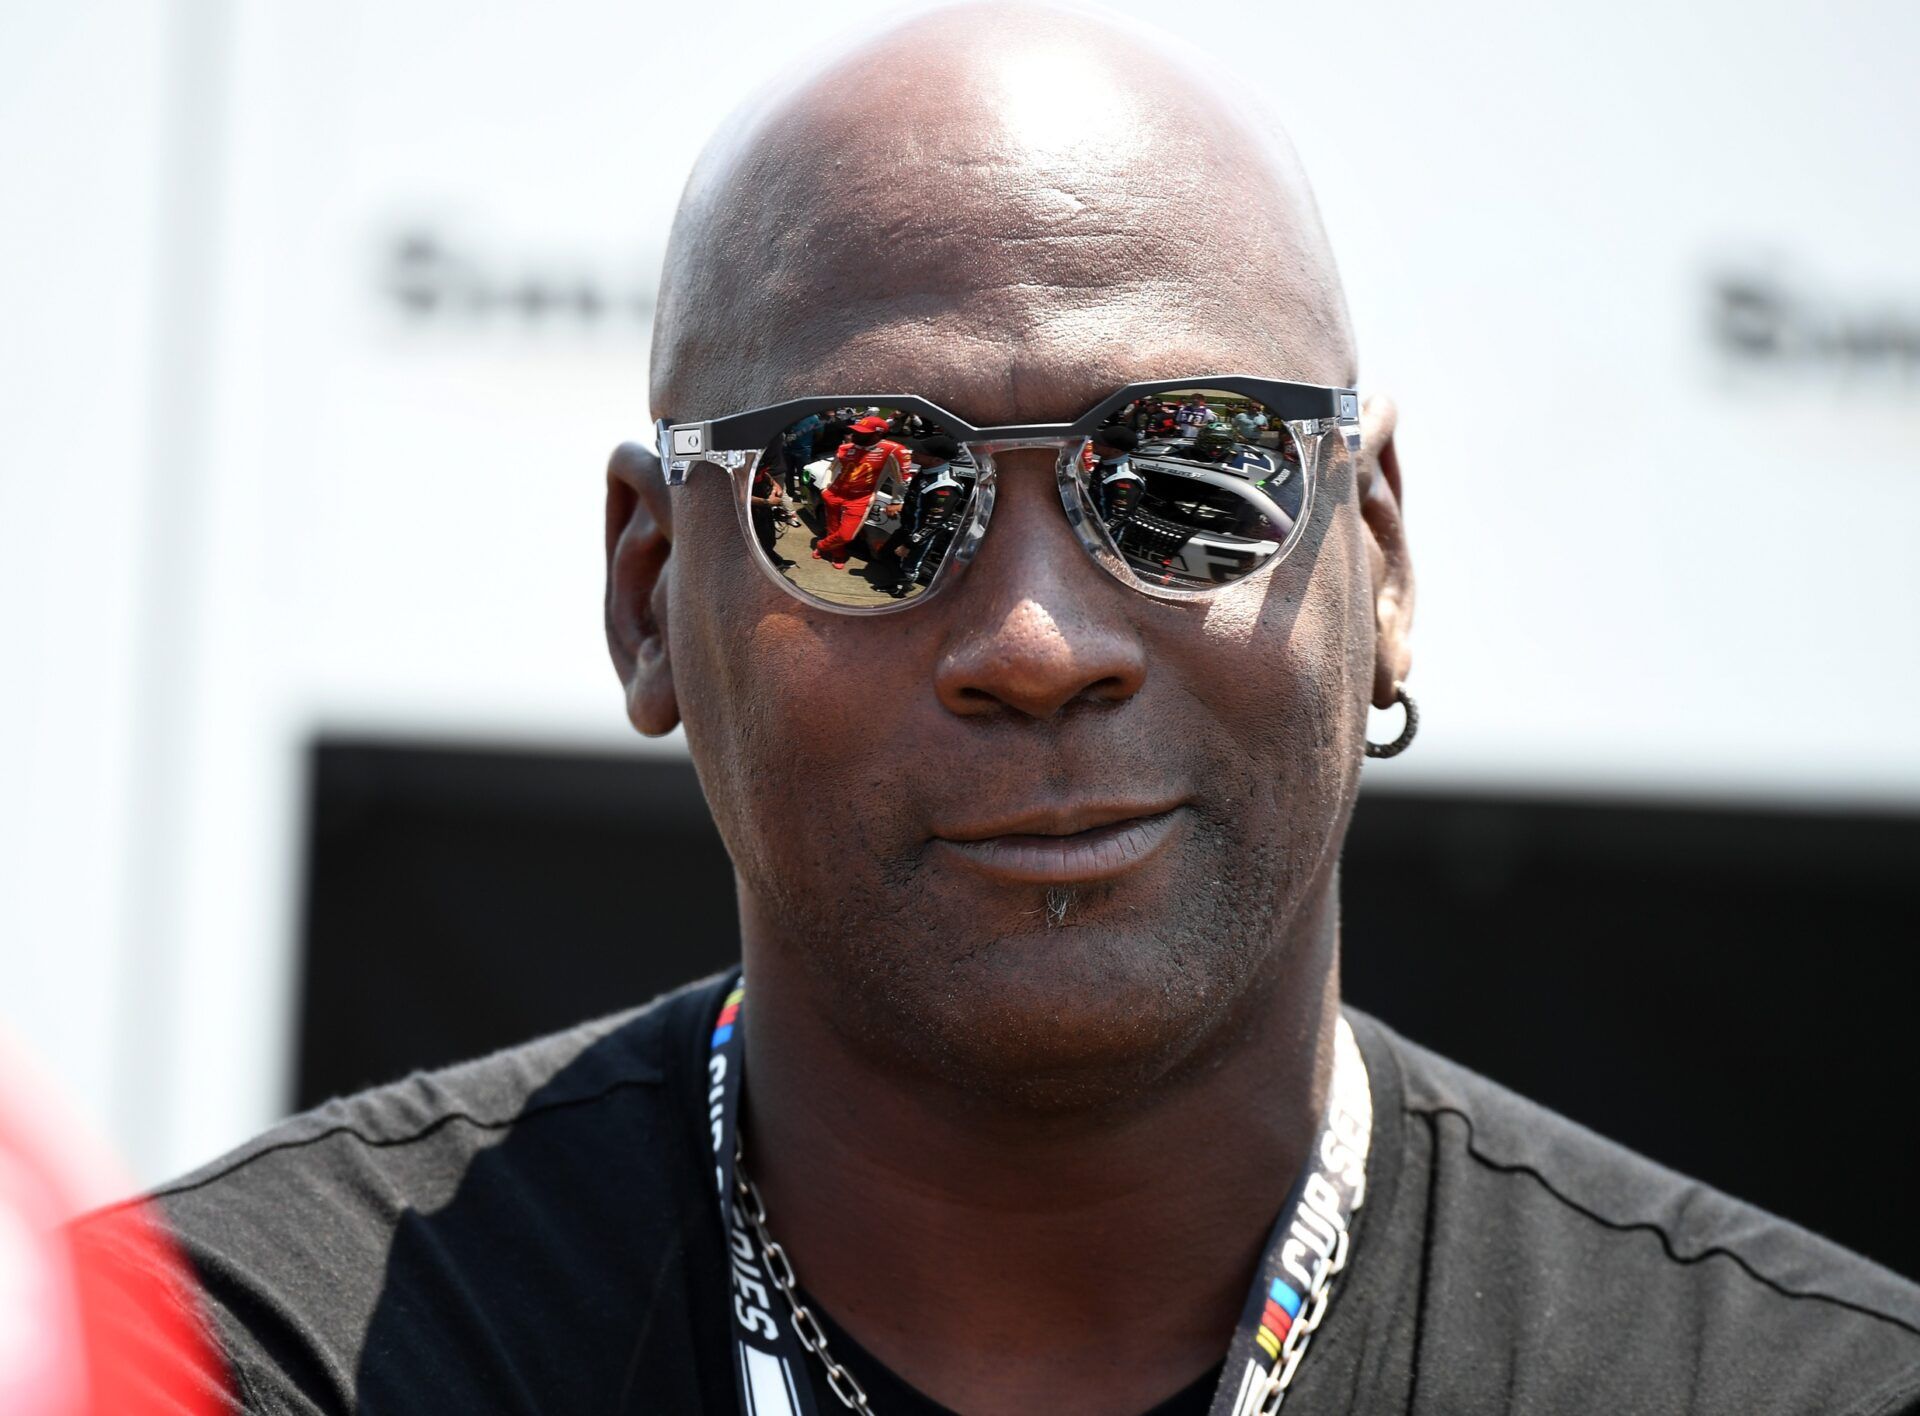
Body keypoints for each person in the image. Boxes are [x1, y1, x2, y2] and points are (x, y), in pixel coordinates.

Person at [74, 4, 1920, 1414]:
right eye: (864, 495)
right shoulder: (239, 1363)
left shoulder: (1793, 1381)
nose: (1040, 641)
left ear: (1380, 561)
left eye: (1186, 475)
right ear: (650, 593)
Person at [812, 415, 909, 568]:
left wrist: (897, 500)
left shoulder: (893, 450)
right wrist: (825, 488)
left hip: (860, 499)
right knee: (833, 527)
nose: (853, 435)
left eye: (862, 433)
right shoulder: (846, 448)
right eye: (855, 431)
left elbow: (902, 479)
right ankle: (838, 554)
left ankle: (822, 546)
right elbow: (832, 468)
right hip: (833, 493)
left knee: (846, 535)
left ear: (877, 434)